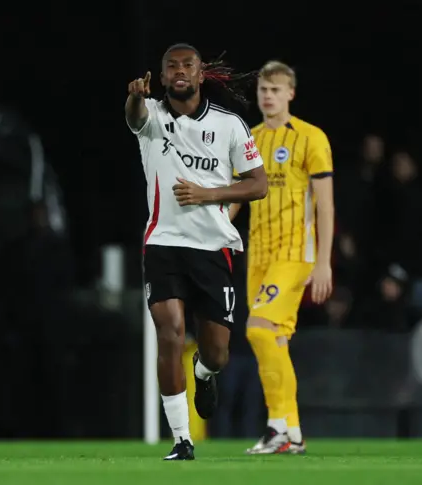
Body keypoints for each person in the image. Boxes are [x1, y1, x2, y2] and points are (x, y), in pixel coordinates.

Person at [126, 43, 268, 460]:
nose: (180, 71)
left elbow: (258, 184)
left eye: (188, 65)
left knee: (217, 352)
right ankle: (182, 439)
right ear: (164, 76)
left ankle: (205, 374)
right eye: (172, 66)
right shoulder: (151, 115)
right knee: (168, 333)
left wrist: (210, 194)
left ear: (202, 74)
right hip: (164, 244)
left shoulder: (229, 125)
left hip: (212, 248)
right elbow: (133, 116)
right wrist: (135, 95)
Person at [230, 61, 335, 454]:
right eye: (262, 90)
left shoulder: (311, 138)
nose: (268, 96)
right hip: (258, 254)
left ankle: (276, 426)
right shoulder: (249, 139)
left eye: (275, 89)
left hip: (295, 253)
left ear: (290, 93)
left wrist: (324, 262)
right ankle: (291, 433)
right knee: (272, 339)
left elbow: (325, 206)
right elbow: (238, 197)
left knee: (258, 328)